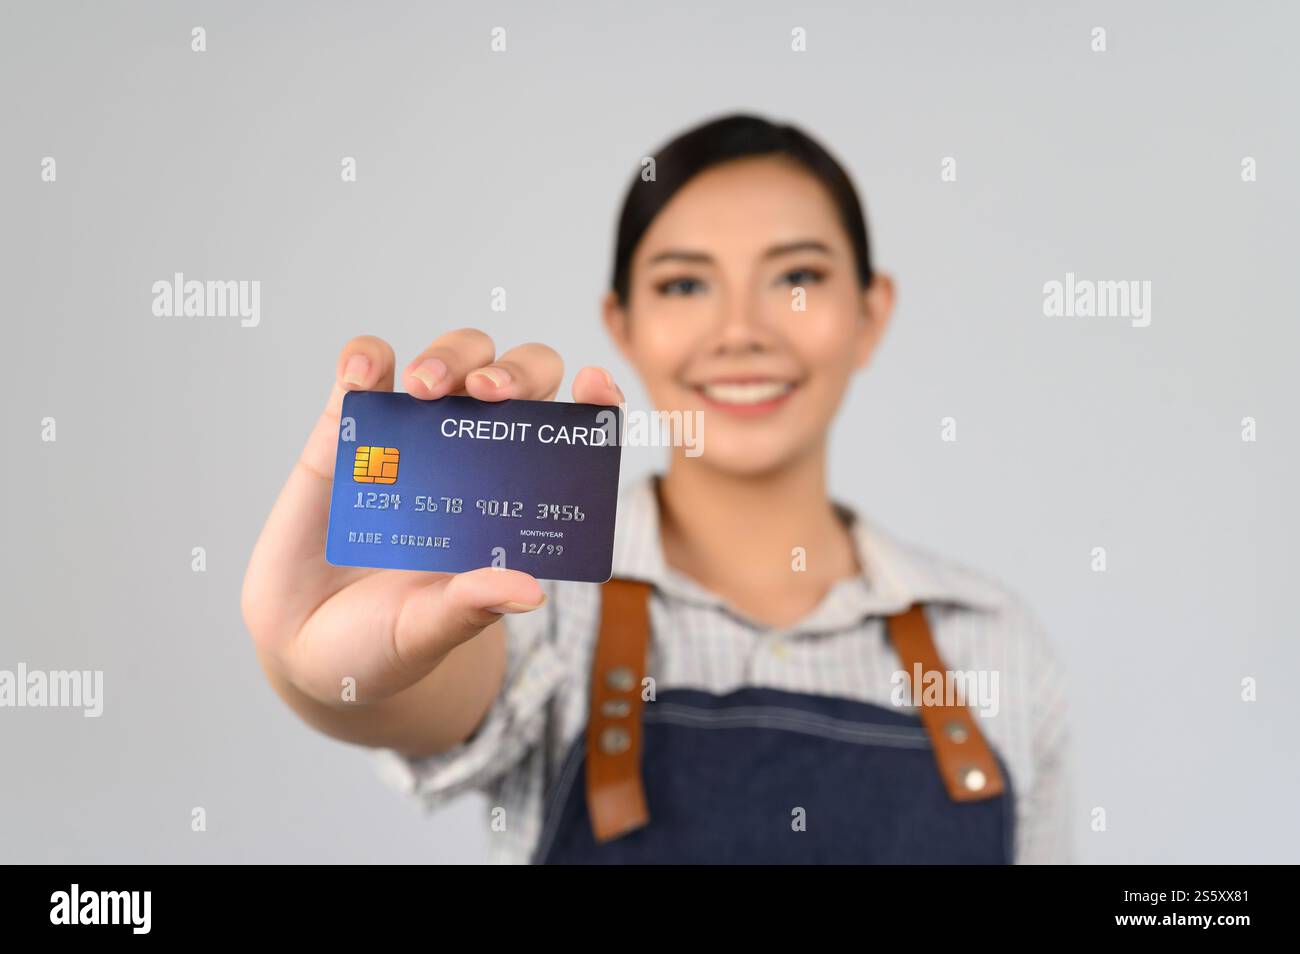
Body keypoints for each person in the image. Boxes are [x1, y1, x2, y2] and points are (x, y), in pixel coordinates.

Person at [241, 114, 1072, 864]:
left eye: (799, 278)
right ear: (622, 324)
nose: (742, 329)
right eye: (684, 284)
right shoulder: (546, 600)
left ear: (871, 312)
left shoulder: (995, 644)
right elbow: (414, 689)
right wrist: (313, 658)